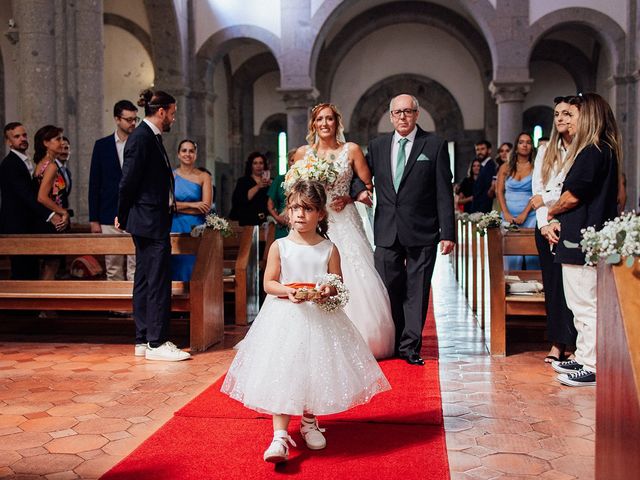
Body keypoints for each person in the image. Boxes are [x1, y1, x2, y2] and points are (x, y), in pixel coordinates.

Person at [221, 180, 390, 464]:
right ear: (288, 210)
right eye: (295, 208)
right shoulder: (280, 246)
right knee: (284, 370)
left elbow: (338, 283)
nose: (300, 214)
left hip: (320, 318)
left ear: (320, 214)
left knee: (316, 368)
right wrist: (287, 290)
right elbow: (268, 283)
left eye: (308, 209)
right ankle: (279, 435)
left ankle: (309, 421)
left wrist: (327, 290)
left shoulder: (328, 248)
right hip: (286, 316)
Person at [293, 103, 395, 359]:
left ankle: (362, 337)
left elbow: (368, 186)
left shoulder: (351, 150)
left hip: (343, 218)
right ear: (313, 124)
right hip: (314, 220)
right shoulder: (304, 154)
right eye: (319, 119)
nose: (325, 123)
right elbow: (293, 190)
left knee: (354, 270)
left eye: (329, 119)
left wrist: (350, 198)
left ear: (337, 123)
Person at [366, 94, 455, 365]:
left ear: (417, 114)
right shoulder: (378, 146)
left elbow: (444, 192)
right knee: (388, 287)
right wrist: (358, 191)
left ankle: (409, 346)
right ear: (390, 116)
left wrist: (448, 232)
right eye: (397, 112)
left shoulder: (435, 145)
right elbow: (360, 176)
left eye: (407, 112)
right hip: (386, 230)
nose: (402, 117)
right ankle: (393, 340)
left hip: (423, 230)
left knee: (417, 290)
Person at [549, 93, 620, 387]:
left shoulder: (592, 151)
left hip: (581, 238)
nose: (569, 120)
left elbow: (573, 195)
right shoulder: (602, 149)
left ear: (589, 118)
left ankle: (592, 365)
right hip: (583, 237)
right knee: (580, 302)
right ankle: (583, 355)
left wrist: (551, 209)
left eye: (574, 116)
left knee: (585, 303)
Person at [116, 89, 190, 362]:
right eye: (172, 112)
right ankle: (156, 342)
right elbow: (128, 181)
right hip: (148, 219)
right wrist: (121, 215)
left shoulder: (149, 137)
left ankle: (143, 339)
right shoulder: (142, 138)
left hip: (150, 218)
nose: (173, 117)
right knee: (157, 280)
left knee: (146, 278)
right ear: (161, 111)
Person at [530, 96, 578, 363]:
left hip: (571, 222)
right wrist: (545, 223)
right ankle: (558, 343)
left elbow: (569, 191)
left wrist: (549, 202)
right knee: (553, 286)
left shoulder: (582, 149)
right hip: (546, 225)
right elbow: (537, 191)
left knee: (572, 286)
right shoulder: (545, 150)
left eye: (567, 114)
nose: (560, 118)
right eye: (557, 114)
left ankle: (575, 343)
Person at [0, 122, 65, 279]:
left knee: (32, 271)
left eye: (24, 135)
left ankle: (36, 302)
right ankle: (27, 303)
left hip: (29, 224)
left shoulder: (30, 162)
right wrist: (52, 215)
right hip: (17, 227)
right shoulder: (9, 164)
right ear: (8, 141)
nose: (22, 139)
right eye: (16, 136)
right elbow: (28, 197)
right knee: (23, 274)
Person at [89, 100, 139, 281]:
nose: (133, 123)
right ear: (117, 119)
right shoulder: (102, 146)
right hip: (108, 212)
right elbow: (94, 183)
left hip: (135, 211)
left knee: (135, 262)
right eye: (128, 119)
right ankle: (117, 307)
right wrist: (94, 219)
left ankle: (135, 305)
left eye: (135, 119)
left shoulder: (141, 143)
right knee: (113, 263)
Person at [496, 132, 539, 270]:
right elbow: (499, 192)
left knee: (532, 255)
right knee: (511, 255)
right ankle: (511, 285)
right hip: (509, 215)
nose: (525, 145)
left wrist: (524, 214)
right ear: (516, 146)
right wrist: (506, 213)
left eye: (528, 142)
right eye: (521, 142)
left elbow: (537, 193)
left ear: (532, 147)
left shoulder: (537, 168)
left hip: (530, 214)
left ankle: (535, 286)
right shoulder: (505, 167)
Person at [33, 125, 71, 280]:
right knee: (51, 264)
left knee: (50, 264)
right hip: (49, 223)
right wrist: (62, 212)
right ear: (46, 143)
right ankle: (44, 301)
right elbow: (42, 196)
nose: (61, 143)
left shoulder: (42, 163)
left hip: (42, 220)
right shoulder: (51, 166)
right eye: (57, 139)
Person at [171, 139, 212, 280]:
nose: (187, 154)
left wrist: (178, 207)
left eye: (191, 151)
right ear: (178, 154)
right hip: (174, 226)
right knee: (175, 263)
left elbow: (206, 206)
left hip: (195, 227)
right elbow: (166, 205)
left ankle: (194, 299)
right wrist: (193, 205)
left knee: (193, 265)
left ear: (195, 154)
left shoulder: (204, 176)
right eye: (184, 150)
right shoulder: (170, 176)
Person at [229, 152, 271, 226]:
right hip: (248, 220)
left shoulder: (270, 181)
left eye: (261, 163)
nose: (258, 166)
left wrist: (272, 186)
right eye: (255, 163)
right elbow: (241, 200)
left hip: (266, 220)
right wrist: (258, 186)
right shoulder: (243, 181)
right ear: (251, 165)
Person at [267, 149, 296, 239]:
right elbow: (270, 204)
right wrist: (277, 217)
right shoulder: (280, 179)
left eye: (297, 160)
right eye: (292, 160)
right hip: (283, 224)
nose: (294, 163)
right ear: (288, 162)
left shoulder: (305, 180)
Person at [470, 140, 494, 213]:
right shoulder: (483, 166)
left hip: (484, 210)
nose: (479, 152)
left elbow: (487, 191)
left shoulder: (491, 166)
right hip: (479, 209)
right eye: (477, 149)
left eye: (482, 149)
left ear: (489, 150)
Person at [488, 142, 512, 211]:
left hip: (508, 203)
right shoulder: (497, 169)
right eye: (501, 151)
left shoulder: (513, 169)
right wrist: (492, 188)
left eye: (507, 151)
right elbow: (490, 194)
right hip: (496, 202)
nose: (504, 153)